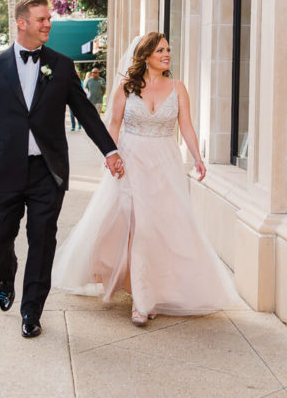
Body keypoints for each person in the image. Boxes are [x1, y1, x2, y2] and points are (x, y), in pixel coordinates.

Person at [0, 0, 125, 339]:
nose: (48, 24)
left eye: (49, 19)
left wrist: (109, 151)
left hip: (47, 171)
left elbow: (86, 113)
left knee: (43, 240)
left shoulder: (62, 66)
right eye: (42, 19)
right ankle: (7, 273)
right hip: (3, 169)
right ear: (22, 24)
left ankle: (31, 311)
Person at [53, 32, 238, 326]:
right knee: (138, 227)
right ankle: (141, 299)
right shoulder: (126, 88)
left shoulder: (178, 88)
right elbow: (112, 125)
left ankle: (156, 290)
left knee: (160, 228)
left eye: (168, 49)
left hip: (165, 165)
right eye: (161, 50)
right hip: (131, 162)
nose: (167, 54)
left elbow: (186, 126)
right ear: (146, 55)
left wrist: (199, 158)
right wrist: (109, 157)